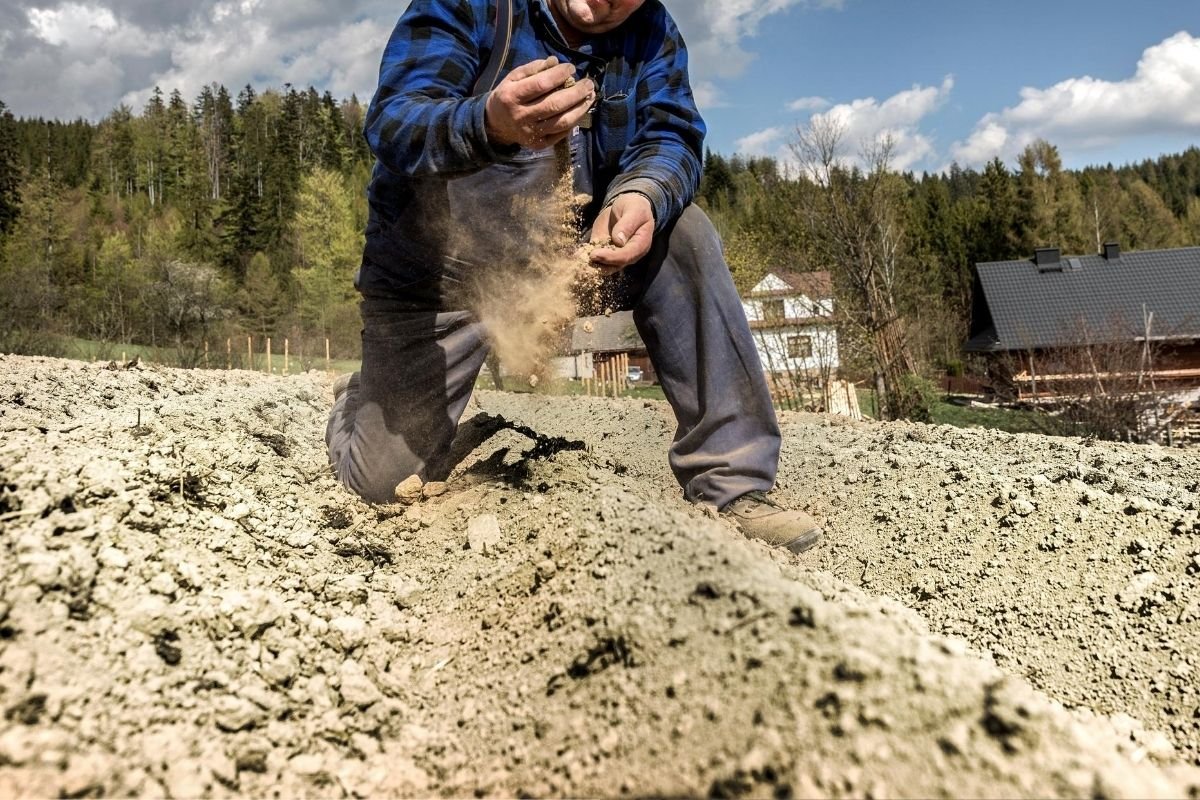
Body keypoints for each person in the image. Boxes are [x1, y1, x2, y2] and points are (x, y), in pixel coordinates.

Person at [326, 0, 824, 553]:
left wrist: (643, 194)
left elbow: (671, 137)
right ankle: (361, 399)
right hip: (439, 277)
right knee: (379, 486)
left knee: (684, 231)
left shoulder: (653, 33)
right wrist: (489, 121)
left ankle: (734, 486)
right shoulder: (473, 5)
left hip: (568, 265)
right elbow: (395, 120)